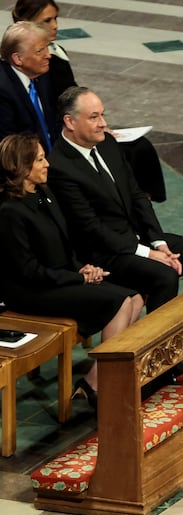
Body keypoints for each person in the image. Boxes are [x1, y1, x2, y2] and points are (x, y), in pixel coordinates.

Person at [47, 86, 183, 362]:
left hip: (136, 240)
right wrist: (150, 254)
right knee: (163, 275)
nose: (103, 123)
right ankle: (157, 364)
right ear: (70, 122)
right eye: (93, 117)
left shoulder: (107, 143)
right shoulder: (59, 167)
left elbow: (137, 196)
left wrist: (158, 242)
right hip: (105, 253)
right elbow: (92, 228)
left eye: (102, 115)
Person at [0, 132, 144, 407]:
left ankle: (93, 381)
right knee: (121, 301)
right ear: (23, 167)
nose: (47, 164)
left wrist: (83, 268)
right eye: (40, 160)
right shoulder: (9, 212)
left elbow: (64, 246)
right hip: (30, 291)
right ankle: (102, 385)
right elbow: (29, 271)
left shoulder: (44, 193)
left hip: (58, 278)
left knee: (135, 298)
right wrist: (77, 277)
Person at [11, 0, 168, 202]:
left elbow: (72, 94)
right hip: (60, 134)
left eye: (55, 19)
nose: (55, 26)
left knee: (139, 148)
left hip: (71, 122)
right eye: (46, 21)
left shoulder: (56, 53)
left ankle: (140, 208)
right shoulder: (30, 64)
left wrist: (94, 121)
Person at [0, 21, 59, 152]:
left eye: (47, 47)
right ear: (18, 59)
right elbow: (9, 146)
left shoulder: (41, 75)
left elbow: (53, 121)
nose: (48, 55)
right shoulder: (3, 90)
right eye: (40, 51)